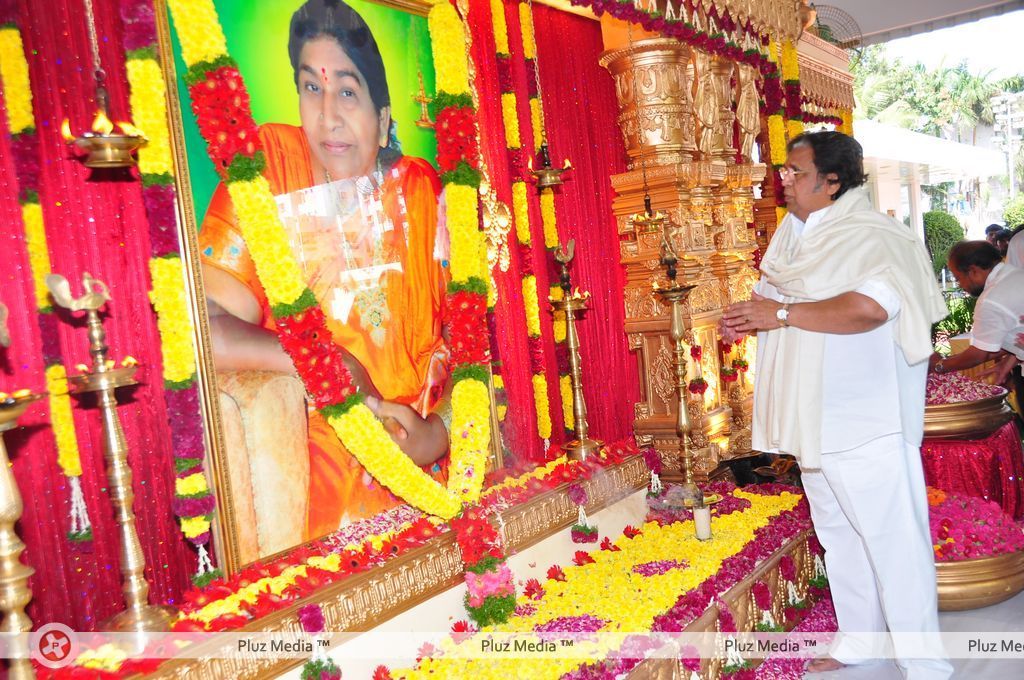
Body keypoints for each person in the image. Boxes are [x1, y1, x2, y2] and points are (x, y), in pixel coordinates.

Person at [199, 0, 450, 540]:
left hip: (431, 477)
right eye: (312, 87)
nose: (328, 116)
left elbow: (469, 342)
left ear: (383, 122)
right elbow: (207, 329)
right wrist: (325, 362)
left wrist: (439, 434)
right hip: (320, 476)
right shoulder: (270, 166)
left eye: (348, 91)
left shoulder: (418, 192)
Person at [721, 131, 953, 679]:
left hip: (861, 415)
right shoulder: (792, 238)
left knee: (892, 539)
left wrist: (776, 316)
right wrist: (754, 313)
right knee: (838, 535)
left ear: (832, 181)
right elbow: (787, 302)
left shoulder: (876, 235)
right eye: (784, 169)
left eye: (796, 172)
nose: (784, 180)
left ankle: (926, 664)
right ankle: (862, 641)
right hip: (811, 418)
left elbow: (870, 308)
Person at [931, 240, 1024, 416]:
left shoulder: (992, 298)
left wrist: (938, 366)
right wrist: (1008, 360)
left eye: (958, 277)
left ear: (973, 271)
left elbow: (979, 354)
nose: (959, 285)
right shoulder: (1016, 274)